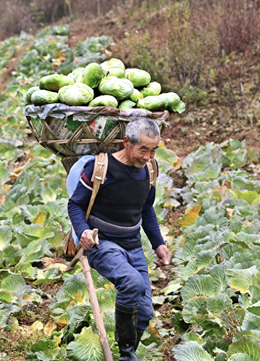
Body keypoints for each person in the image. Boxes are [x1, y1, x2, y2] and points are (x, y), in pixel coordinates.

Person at [67, 118, 172, 361]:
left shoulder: (150, 169)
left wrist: (159, 244)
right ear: (126, 142)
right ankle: (127, 356)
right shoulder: (100, 168)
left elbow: (146, 210)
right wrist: (82, 230)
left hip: (133, 244)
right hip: (102, 242)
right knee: (131, 282)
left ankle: (127, 351)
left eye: (153, 149)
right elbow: (75, 204)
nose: (148, 156)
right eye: (143, 149)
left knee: (145, 313)